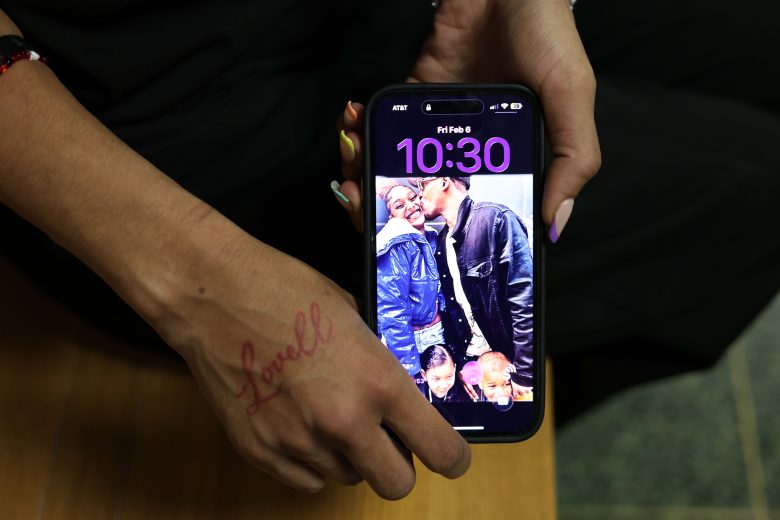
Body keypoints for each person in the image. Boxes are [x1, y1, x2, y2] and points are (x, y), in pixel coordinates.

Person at [416, 176, 535, 393]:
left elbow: (524, 299)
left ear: (444, 181)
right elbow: (453, 311)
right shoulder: (442, 243)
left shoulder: (495, 219)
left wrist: (525, 373)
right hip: (474, 369)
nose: (419, 194)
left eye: (422, 185)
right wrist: (461, 364)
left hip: (510, 368)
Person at [375, 182, 444, 377]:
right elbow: (391, 310)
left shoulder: (431, 237)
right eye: (399, 205)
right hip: (412, 340)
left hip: (437, 333)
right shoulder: (396, 242)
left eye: (412, 198)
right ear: (391, 217)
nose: (411, 205)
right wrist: (408, 365)